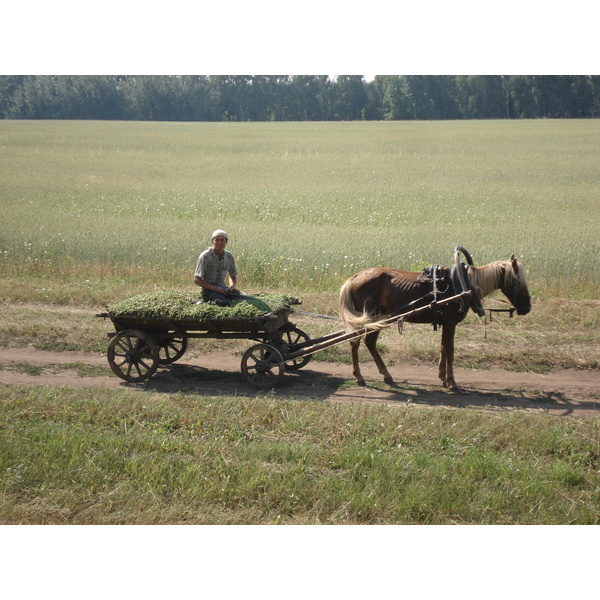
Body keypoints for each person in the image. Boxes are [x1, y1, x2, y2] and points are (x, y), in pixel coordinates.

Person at [194, 229, 240, 306]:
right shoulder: (205, 256)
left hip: (223, 289)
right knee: (223, 303)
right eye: (217, 240)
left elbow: (232, 275)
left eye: (222, 240)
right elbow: (197, 280)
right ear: (212, 241)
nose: (219, 243)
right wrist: (216, 289)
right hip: (208, 291)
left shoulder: (229, 256)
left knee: (241, 299)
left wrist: (232, 287)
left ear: (226, 241)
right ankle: (201, 303)